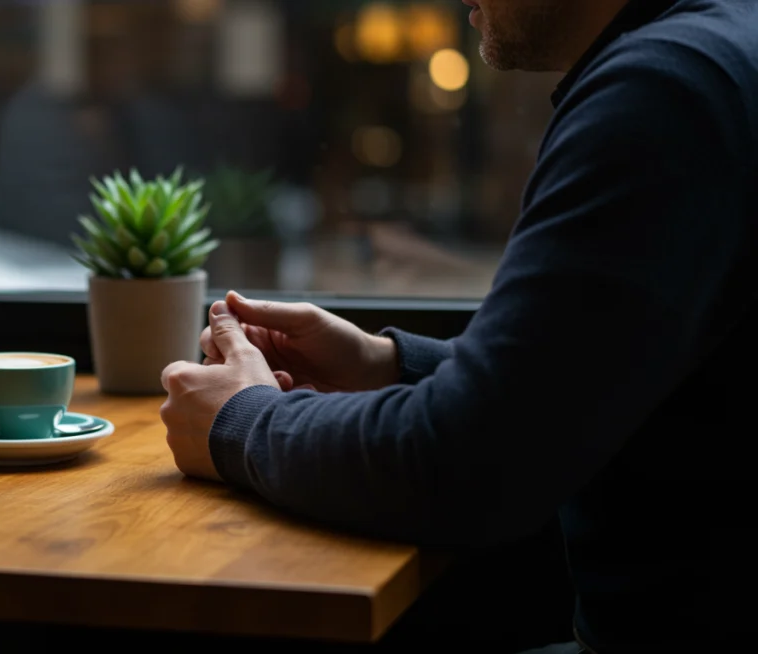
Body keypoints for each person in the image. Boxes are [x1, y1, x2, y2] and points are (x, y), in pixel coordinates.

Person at [161, 0, 755, 652]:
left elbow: (471, 461)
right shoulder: (718, 51)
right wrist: (387, 365)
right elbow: (568, 381)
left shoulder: (664, 91)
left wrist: (241, 421)